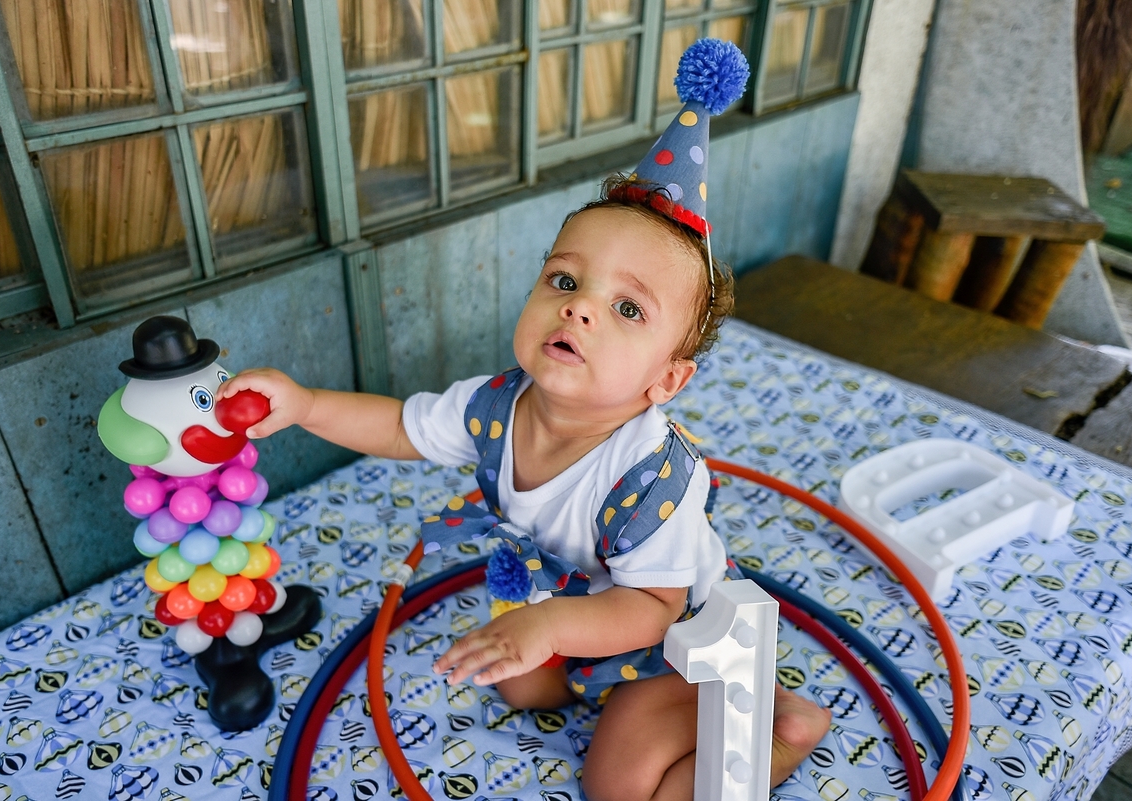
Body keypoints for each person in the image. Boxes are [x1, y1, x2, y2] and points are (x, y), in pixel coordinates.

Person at [217, 39, 830, 801]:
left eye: (627, 307)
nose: (578, 305)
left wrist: (548, 628)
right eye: (565, 278)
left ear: (665, 381)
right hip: (579, 599)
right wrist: (305, 404)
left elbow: (650, 606)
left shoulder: (653, 477)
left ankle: (782, 728)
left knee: (621, 785)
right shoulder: (496, 406)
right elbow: (402, 428)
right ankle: (588, 669)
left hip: (675, 637)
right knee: (523, 688)